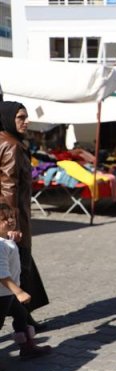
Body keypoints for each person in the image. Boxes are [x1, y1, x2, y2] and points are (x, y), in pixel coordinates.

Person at [0, 102, 49, 331]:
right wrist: (12, 224)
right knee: (19, 270)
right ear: (9, 118)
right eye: (21, 117)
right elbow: (8, 187)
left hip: (6, 218)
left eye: (27, 117)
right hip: (11, 220)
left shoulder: (4, 141)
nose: (26, 121)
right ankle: (24, 326)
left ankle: (25, 326)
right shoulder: (12, 146)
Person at [0, 203, 51, 368]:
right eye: (4, 219)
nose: (10, 221)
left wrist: (12, 239)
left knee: (22, 315)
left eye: (12, 217)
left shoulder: (5, 240)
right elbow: (1, 275)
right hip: (2, 294)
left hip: (8, 294)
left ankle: (27, 347)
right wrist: (19, 292)